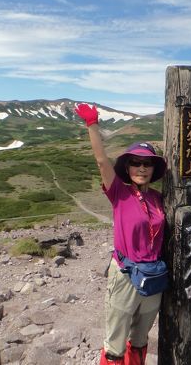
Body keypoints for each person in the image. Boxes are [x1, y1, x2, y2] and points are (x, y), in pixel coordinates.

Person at [75, 103, 167, 365]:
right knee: (115, 342)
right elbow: (102, 161)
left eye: (147, 164)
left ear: (153, 169)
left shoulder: (160, 199)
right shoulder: (119, 193)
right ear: (127, 168)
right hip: (126, 274)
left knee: (140, 338)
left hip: (153, 276)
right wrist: (92, 124)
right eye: (136, 163)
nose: (141, 168)